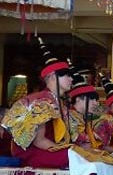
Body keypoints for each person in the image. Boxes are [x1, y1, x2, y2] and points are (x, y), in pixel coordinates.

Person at [1, 40, 73, 168]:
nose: (71, 79)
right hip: (31, 152)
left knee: (82, 154)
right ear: (52, 77)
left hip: (49, 149)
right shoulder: (42, 101)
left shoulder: (58, 101)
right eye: (66, 75)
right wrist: (66, 150)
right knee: (75, 157)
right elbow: (39, 141)